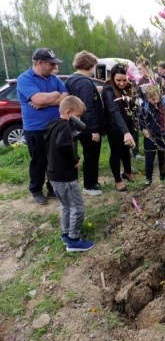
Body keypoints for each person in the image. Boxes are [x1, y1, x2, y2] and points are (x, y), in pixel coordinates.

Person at [17, 48, 69, 205]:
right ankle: (36, 190)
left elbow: (66, 97)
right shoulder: (25, 79)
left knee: (54, 160)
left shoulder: (54, 78)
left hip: (55, 127)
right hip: (35, 128)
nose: (54, 67)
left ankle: (52, 188)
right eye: (51, 64)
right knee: (39, 161)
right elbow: (38, 100)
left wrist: (48, 99)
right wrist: (55, 95)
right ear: (39, 63)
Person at [45, 96, 95, 252]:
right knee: (77, 207)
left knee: (65, 206)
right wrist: (75, 159)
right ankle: (74, 240)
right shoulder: (66, 127)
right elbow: (64, 145)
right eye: (78, 115)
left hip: (53, 174)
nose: (79, 119)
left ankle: (66, 233)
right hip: (66, 176)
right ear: (68, 112)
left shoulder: (52, 125)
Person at [65, 51, 104, 196]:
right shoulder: (83, 82)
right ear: (89, 65)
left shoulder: (73, 79)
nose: (94, 69)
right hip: (88, 128)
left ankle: (93, 181)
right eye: (94, 66)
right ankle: (89, 186)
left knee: (91, 155)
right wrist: (94, 129)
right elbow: (87, 107)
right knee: (91, 156)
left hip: (81, 126)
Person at [102, 64, 136, 192]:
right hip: (114, 127)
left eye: (124, 80)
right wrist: (126, 133)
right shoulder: (108, 90)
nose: (122, 83)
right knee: (116, 152)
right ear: (112, 78)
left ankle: (127, 172)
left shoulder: (128, 89)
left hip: (126, 126)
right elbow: (114, 111)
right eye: (118, 80)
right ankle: (118, 180)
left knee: (126, 151)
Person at [139, 86, 165, 186]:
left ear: (159, 96)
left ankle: (163, 176)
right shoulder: (144, 106)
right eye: (150, 99)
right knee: (149, 157)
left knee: (163, 156)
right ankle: (148, 178)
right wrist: (143, 129)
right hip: (149, 136)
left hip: (163, 135)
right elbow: (139, 120)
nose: (153, 101)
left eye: (155, 99)